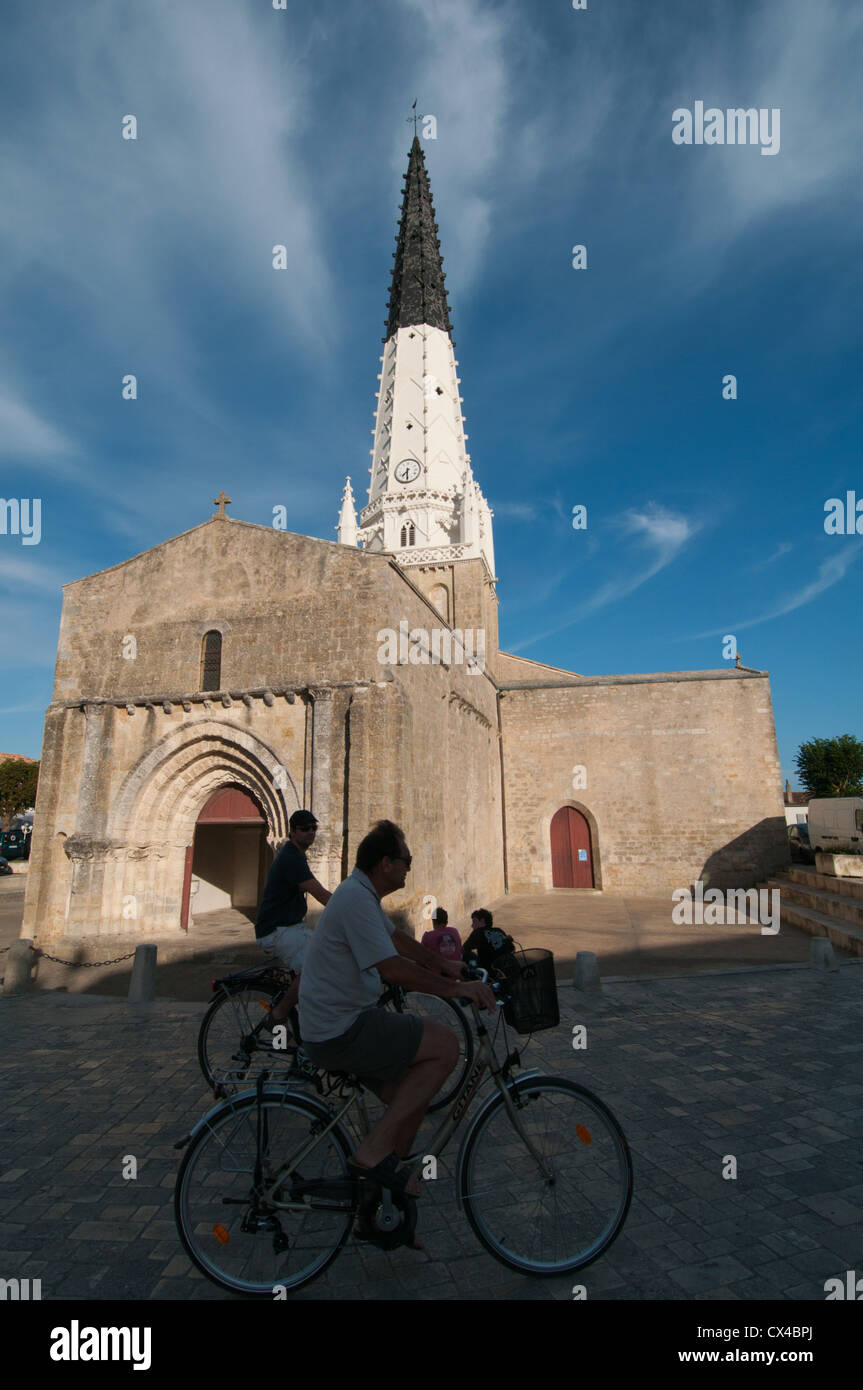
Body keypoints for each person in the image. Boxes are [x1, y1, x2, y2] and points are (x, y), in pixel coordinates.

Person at [298, 820, 497, 1221]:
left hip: (337, 1024)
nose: (409, 867)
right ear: (385, 862)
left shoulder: (360, 895)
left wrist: (444, 964)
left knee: (410, 1099)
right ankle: (372, 1154)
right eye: (406, 860)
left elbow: (396, 941)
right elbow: (393, 969)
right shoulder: (356, 899)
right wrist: (456, 990)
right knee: (445, 1047)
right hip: (342, 1028)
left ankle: (389, 1206)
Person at [255, 809, 332, 1032]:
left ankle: (290, 1039)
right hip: (278, 929)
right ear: (291, 832)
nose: (310, 832)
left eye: (313, 828)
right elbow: (320, 894)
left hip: (291, 927)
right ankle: (278, 1015)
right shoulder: (291, 858)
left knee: (326, 955)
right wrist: (352, 910)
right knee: (314, 967)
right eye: (304, 828)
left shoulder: (296, 855)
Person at [461, 908, 515, 973]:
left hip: (490, 971)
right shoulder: (498, 930)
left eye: (474, 921)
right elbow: (512, 948)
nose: (472, 925)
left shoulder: (478, 933)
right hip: (508, 967)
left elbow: (464, 949)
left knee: (469, 955)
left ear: (482, 921)